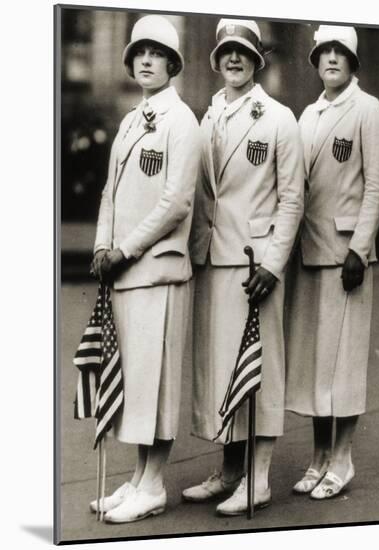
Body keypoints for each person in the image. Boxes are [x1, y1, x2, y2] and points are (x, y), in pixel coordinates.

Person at [183, 18, 304, 515]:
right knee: (221, 370)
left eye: (243, 52)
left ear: (257, 60)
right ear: (216, 60)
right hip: (213, 258)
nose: (234, 59)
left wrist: (274, 264)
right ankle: (231, 470)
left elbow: (293, 199)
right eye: (226, 51)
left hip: (255, 263)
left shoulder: (278, 118)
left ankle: (260, 478)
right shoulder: (208, 118)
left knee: (261, 369)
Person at [88, 14, 201, 523]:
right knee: (134, 377)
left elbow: (176, 202)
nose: (147, 61)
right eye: (140, 53)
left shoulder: (181, 120)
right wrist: (99, 246)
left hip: (156, 267)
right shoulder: (132, 120)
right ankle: (137, 478)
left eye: (157, 54)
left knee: (155, 381)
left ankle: (154, 484)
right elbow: (111, 192)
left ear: (173, 64)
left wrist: (125, 249)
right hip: (124, 269)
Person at [285, 25, 379, 499]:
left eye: (339, 52)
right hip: (308, 252)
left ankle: (342, 460)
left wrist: (359, 249)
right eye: (323, 51)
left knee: (342, 363)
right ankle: (319, 457)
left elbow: (377, 187)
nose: (330, 58)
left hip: (345, 255)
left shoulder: (368, 110)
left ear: (352, 61)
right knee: (315, 363)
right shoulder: (308, 114)